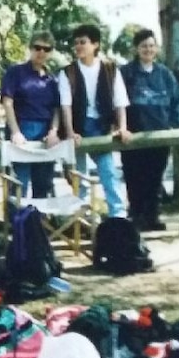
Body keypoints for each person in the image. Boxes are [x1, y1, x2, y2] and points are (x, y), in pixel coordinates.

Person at [58, 24, 131, 218]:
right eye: (76, 43)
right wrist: (71, 131)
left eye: (83, 42)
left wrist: (122, 128)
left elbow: (120, 102)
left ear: (95, 44)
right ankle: (81, 222)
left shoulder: (110, 69)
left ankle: (118, 219)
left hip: (102, 127)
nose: (79, 47)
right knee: (79, 179)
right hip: (79, 128)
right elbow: (65, 105)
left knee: (109, 174)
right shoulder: (68, 72)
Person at [120, 29, 179, 231]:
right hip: (133, 137)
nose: (148, 49)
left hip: (159, 137)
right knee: (134, 177)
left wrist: (175, 125)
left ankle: (152, 217)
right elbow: (116, 102)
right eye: (143, 46)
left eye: (151, 45)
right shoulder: (126, 73)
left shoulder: (165, 74)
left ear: (156, 48)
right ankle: (137, 216)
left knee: (155, 178)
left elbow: (176, 103)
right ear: (136, 49)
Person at [0, 31, 61, 198]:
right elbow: (7, 102)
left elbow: (57, 108)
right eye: (37, 47)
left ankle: (39, 222)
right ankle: (16, 223)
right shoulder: (15, 72)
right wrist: (15, 132)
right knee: (19, 184)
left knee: (43, 185)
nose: (41, 52)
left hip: (45, 134)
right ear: (30, 48)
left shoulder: (53, 80)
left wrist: (53, 132)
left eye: (46, 49)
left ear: (51, 52)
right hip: (21, 129)